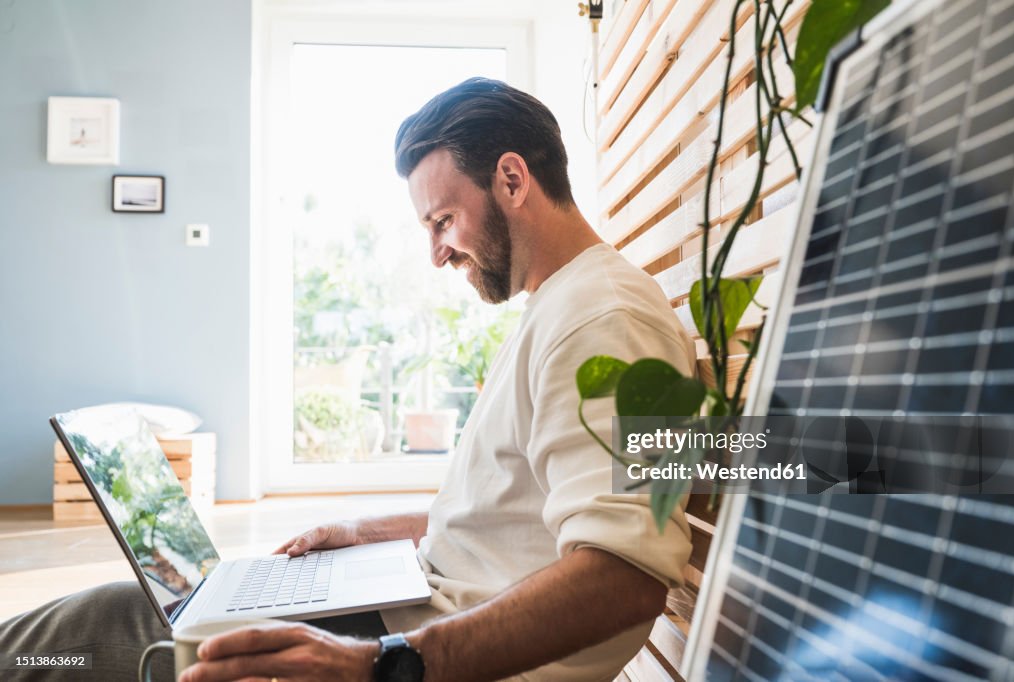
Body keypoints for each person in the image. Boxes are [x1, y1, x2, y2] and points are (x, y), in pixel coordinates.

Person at [0, 78, 696, 681]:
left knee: (95, 631)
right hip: (419, 616)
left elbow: (623, 577)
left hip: (423, 653)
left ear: (512, 180)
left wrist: (383, 665)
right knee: (134, 616)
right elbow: (517, 522)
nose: (435, 253)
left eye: (443, 220)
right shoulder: (566, 306)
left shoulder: (600, 320)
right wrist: (369, 530)